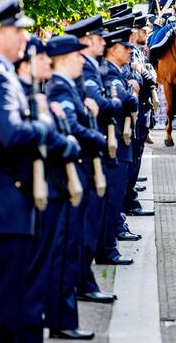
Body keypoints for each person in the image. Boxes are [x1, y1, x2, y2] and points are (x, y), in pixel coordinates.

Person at [0, 0, 73, 342]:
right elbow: (9, 133)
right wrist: (43, 126)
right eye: (17, 31)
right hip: (5, 207)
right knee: (9, 311)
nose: (25, 39)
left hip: (12, 205)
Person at [44, 35, 107, 341]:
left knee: (71, 247)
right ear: (65, 59)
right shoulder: (59, 87)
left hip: (76, 172)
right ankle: (62, 319)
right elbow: (71, 128)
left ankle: (63, 317)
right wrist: (97, 138)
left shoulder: (67, 86)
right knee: (66, 251)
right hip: (67, 176)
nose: (83, 60)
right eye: (77, 56)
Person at [63, 15, 130, 284]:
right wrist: (116, 99)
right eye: (100, 39)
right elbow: (103, 103)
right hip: (93, 148)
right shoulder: (88, 70)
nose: (105, 42)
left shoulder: (93, 68)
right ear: (86, 41)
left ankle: (87, 280)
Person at [101, 27, 140, 264]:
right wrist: (131, 93)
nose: (129, 51)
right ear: (114, 49)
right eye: (125, 48)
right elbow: (127, 99)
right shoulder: (110, 73)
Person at [126, 15, 155, 218]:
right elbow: (147, 78)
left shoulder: (139, 52)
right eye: (144, 31)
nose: (147, 33)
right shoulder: (132, 53)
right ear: (134, 32)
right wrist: (147, 73)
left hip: (143, 110)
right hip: (137, 112)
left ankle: (130, 197)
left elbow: (151, 77)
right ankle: (130, 201)